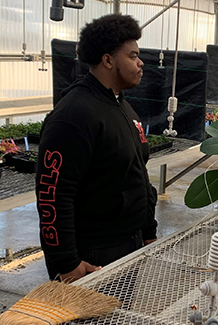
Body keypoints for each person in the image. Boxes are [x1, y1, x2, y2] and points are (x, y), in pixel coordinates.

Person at [36, 14, 158, 283]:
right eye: (133, 56)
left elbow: (138, 173)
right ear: (108, 60)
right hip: (93, 254)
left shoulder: (121, 106)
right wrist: (66, 262)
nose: (140, 63)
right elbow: (53, 195)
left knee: (118, 321)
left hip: (128, 241)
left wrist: (148, 229)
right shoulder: (73, 115)